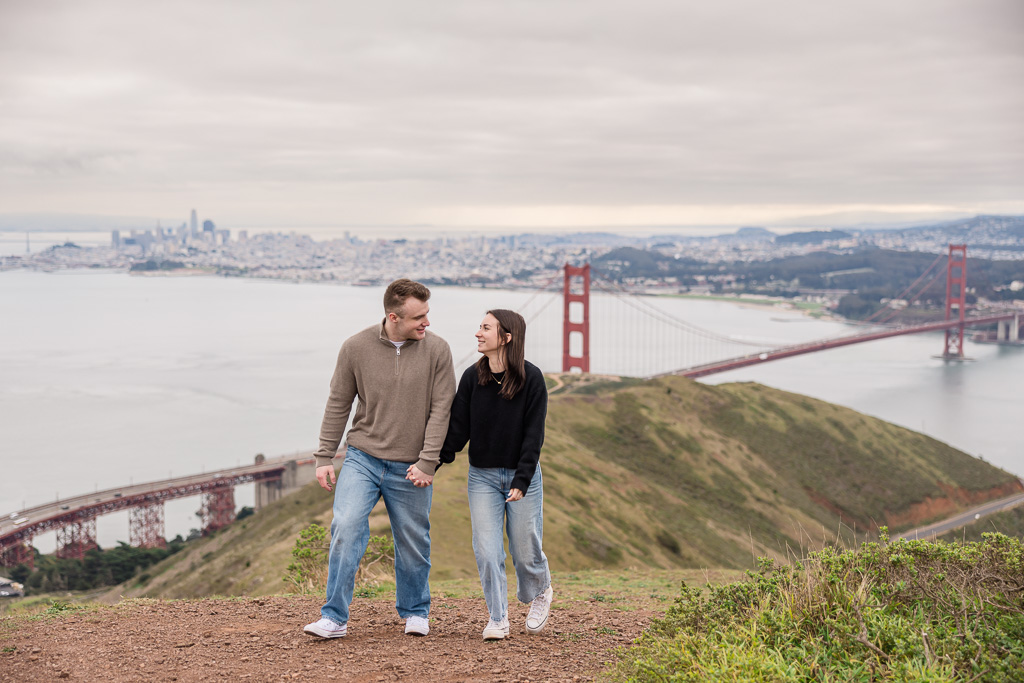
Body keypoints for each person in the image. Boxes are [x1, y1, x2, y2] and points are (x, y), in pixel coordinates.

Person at [303, 279, 455, 639]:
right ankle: (334, 617)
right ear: (393, 316)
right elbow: (338, 402)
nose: (427, 323)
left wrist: (428, 461)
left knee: (414, 539)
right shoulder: (355, 348)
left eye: (427, 315)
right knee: (346, 526)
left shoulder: (438, 351)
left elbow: (441, 410)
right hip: (363, 457)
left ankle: (416, 611)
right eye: (419, 317)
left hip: (412, 465)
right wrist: (325, 455)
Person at [440, 309, 552, 641]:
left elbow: (534, 437)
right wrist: (429, 464)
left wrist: (521, 481)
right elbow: (457, 432)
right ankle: (498, 617)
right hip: (483, 478)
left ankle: (540, 590)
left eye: (485, 328)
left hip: (523, 476)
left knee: (523, 547)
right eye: (479, 327)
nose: (478, 333)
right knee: (487, 549)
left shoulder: (532, 379)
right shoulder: (472, 378)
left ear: (506, 337)